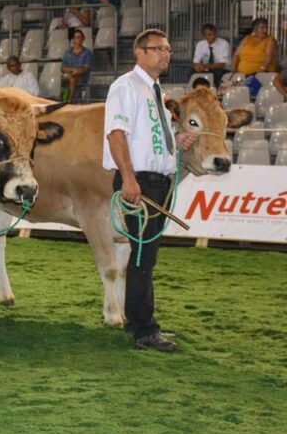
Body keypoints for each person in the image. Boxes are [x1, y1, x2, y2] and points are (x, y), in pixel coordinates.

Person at [103, 28, 196, 353]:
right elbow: (116, 134)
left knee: (145, 256)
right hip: (139, 181)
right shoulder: (125, 86)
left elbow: (151, 138)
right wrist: (129, 179)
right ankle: (145, 329)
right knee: (143, 257)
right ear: (140, 53)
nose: (166, 54)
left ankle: (138, 319)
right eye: (159, 48)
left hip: (156, 180)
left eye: (168, 49)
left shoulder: (154, 89)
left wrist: (176, 143)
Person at [61, 29, 92, 101]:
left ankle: (68, 100)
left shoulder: (87, 52)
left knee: (72, 78)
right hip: (69, 75)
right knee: (67, 79)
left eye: (80, 37)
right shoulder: (67, 53)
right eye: (77, 37)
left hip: (82, 76)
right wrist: (72, 70)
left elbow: (86, 68)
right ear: (73, 40)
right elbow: (63, 68)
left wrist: (76, 72)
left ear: (83, 39)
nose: (79, 39)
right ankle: (63, 99)